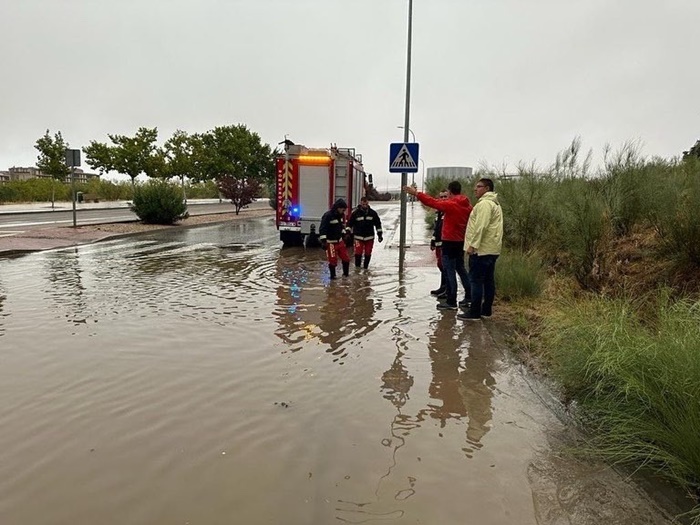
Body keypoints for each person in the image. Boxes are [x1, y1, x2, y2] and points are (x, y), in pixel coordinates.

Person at [404, 181, 472, 310]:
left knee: (449, 270)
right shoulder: (468, 206)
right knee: (461, 269)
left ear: (450, 192)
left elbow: (432, 202)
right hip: (461, 241)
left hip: (449, 241)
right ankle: (469, 296)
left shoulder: (452, 204)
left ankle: (451, 300)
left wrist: (416, 193)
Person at [458, 178, 503, 321]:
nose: (475, 189)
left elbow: (481, 226)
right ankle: (486, 310)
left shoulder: (484, 204)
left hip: (481, 250)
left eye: (479, 186)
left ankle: (475, 312)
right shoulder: (495, 204)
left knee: (476, 281)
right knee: (488, 281)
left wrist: (472, 245)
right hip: (491, 249)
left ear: (487, 188)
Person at [347, 196, 383, 269]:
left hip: (369, 237)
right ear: (361, 203)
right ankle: (357, 269)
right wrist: (347, 233)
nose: (365, 206)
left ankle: (366, 268)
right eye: (363, 204)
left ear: (368, 203)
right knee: (358, 253)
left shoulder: (373, 213)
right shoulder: (355, 213)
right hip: (358, 237)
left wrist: (380, 235)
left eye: (366, 204)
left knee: (368, 253)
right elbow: (350, 224)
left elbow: (378, 224)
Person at [319, 198, 351, 279]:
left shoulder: (340, 216)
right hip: (331, 243)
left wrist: (344, 234)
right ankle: (333, 278)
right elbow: (322, 229)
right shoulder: (327, 216)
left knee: (346, 259)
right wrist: (323, 241)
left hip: (340, 241)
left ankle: (346, 275)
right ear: (338, 208)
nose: (343, 212)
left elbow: (341, 226)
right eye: (343, 210)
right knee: (332, 261)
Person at [429, 190, 448, 297]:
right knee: (440, 265)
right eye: (441, 197)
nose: (443, 199)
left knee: (445, 266)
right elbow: (436, 228)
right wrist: (433, 241)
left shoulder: (448, 211)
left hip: (446, 243)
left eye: (445, 196)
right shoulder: (439, 211)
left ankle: (447, 289)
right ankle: (443, 287)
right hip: (438, 243)